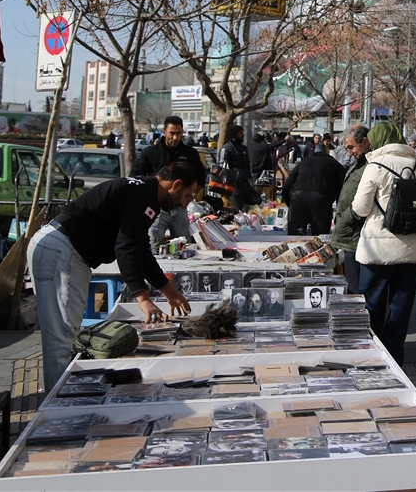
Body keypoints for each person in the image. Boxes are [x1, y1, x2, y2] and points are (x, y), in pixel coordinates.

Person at [27, 161, 197, 391]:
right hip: (63, 251)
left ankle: (61, 397)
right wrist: (142, 298)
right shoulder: (144, 197)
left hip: (59, 247)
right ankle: (58, 403)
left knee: (65, 334)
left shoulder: (143, 191)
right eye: (187, 196)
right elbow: (126, 247)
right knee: (61, 339)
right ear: (175, 185)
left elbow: (140, 247)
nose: (185, 204)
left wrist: (167, 289)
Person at [352, 122, 416, 364]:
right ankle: (394, 356)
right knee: (402, 304)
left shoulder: (375, 166)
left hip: (377, 249)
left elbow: (360, 208)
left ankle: (372, 353)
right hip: (412, 249)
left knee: (372, 303)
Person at [131, 115, 208, 247]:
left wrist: (190, 196)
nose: (175, 137)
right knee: (153, 245)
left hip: (180, 208)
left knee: (184, 245)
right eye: (172, 133)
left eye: (179, 133)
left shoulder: (190, 153)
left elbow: (201, 176)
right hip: (157, 208)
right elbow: (136, 176)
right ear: (164, 132)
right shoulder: (150, 152)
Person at [330, 125, 372, 294]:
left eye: (351, 147)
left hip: (357, 236)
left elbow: (362, 204)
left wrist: (344, 220)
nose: (349, 153)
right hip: (351, 235)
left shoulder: (369, 166)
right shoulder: (359, 165)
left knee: (357, 290)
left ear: (365, 142)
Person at [282, 135, 346, 236]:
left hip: (298, 197)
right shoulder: (334, 163)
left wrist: (290, 203)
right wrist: (339, 210)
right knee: (320, 238)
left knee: (295, 237)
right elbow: (342, 188)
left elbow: (287, 186)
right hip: (321, 199)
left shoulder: (304, 162)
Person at [218, 125, 257, 211]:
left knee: (257, 200)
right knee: (237, 209)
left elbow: (247, 164)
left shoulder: (244, 149)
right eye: (240, 133)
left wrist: (249, 177)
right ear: (234, 134)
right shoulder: (226, 149)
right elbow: (221, 167)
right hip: (234, 184)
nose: (243, 135)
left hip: (245, 183)